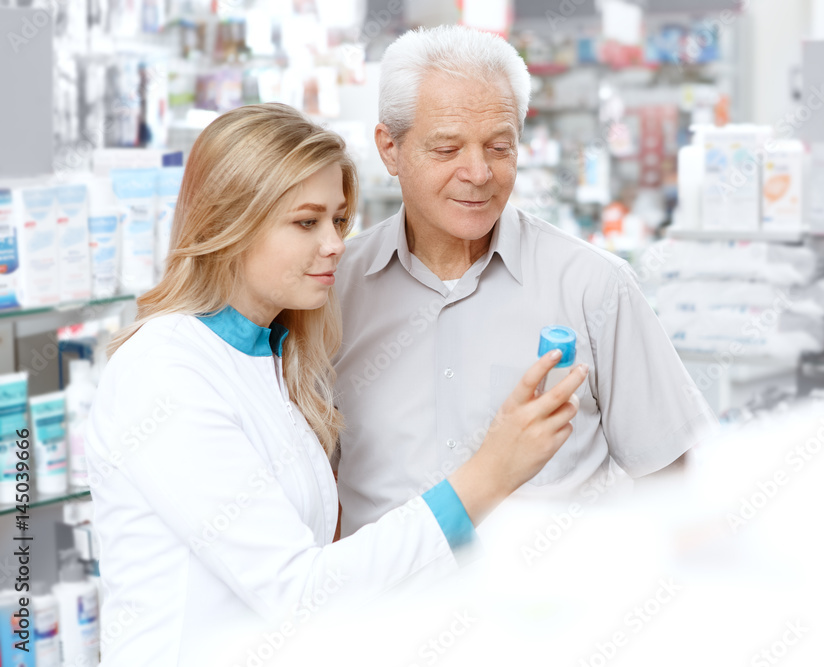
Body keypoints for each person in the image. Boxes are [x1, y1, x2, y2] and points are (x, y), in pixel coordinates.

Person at [84, 102, 587, 666]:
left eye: (339, 220)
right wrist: (489, 473)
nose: (334, 244)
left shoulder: (273, 359)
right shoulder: (165, 371)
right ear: (229, 224)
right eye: (306, 222)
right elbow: (299, 592)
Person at [332, 25, 717, 538]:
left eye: (499, 147)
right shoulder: (333, 290)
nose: (478, 172)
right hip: (386, 610)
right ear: (390, 148)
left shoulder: (593, 286)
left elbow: (673, 479)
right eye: (447, 149)